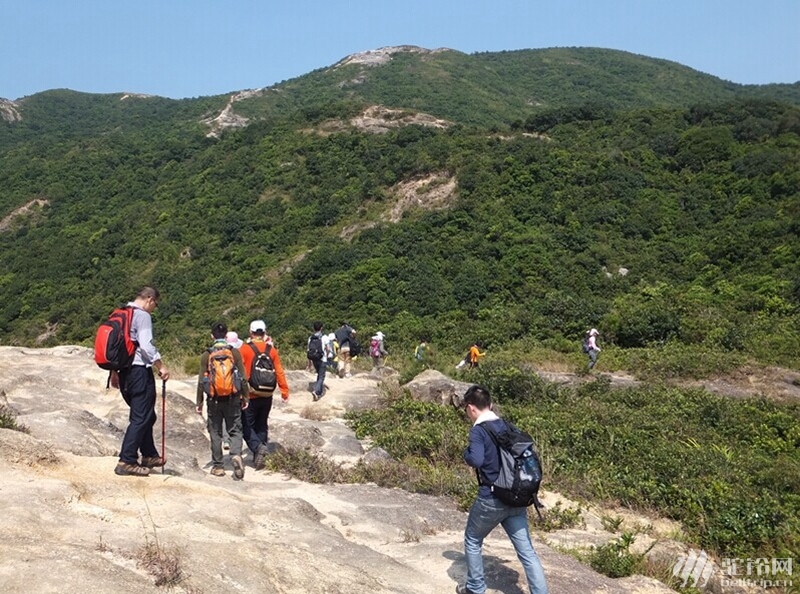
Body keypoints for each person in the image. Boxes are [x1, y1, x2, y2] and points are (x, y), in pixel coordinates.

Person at [458, 385, 548, 594]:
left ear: (471, 408)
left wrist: (466, 453)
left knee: (472, 539)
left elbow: (476, 459)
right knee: (527, 552)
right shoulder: (505, 425)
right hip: (516, 497)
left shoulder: (478, 431)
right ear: (490, 405)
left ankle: (475, 588)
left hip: (491, 498)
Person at [112, 286, 171, 477]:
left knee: (146, 415)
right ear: (149, 299)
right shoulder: (142, 316)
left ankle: (149, 455)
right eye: (155, 304)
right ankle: (126, 460)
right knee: (140, 418)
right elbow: (146, 345)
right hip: (139, 372)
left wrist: (113, 372)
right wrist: (160, 366)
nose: (154, 308)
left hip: (123, 373)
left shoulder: (120, 313)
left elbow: (116, 345)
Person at [195, 322, 250, 480]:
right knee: (235, 429)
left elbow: (201, 381)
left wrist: (199, 402)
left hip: (214, 399)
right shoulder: (234, 353)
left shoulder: (207, 354)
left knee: (215, 431)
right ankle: (236, 455)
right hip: (233, 398)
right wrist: (245, 396)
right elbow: (243, 378)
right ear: (226, 336)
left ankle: (218, 466)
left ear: (212, 336)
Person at [239, 319, 289, 470]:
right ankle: (259, 457)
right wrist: (284, 390)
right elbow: (279, 371)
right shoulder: (271, 350)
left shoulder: (244, 349)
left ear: (251, 332)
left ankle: (258, 448)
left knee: (245, 425)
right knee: (262, 424)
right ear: (264, 332)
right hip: (267, 394)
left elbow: (239, 372)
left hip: (250, 394)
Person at [309, 321, 327, 401]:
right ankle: (316, 391)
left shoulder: (310, 338)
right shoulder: (324, 337)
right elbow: (328, 349)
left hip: (314, 358)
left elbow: (309, 350)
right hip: (322, 359)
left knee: (319, 374)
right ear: (321, 328)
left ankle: (318, 389)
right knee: (321, 376)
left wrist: (309, 362)